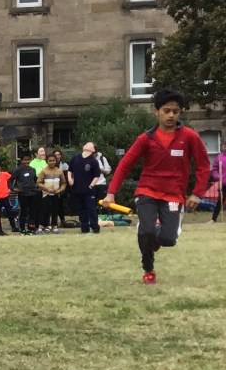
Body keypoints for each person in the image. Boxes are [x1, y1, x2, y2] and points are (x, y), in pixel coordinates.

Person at [104, 88, 210, 285]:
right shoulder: (146, 138)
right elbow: (125, 164)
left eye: (175, 111)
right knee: (146, 232)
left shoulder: (189, 137)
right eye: (166, 111)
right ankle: (148, 269)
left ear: (179, 113)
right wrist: (111, 193)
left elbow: (203, 166)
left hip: (174, 194)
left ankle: (154, 233)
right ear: (156, 111)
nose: (171, 115)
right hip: (147, 191)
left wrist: (197, 193)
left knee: (169, 239)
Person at [67, 142, 102, 234]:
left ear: (93, 149)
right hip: (77, 189)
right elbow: (70, 170)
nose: (87, 145)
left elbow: (97, 175)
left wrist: (91, 185)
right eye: (86, 144)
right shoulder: (75, 158)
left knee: (91, 209)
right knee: (81, 210)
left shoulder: (93, 161)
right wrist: (70, 179)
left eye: (90, 144)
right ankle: (84, 227)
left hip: (89, 190)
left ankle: (95, 227)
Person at [10, 152, 41, 234]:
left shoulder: (32, 170)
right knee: (24, 211)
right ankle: (22, 227)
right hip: (23, 193)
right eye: (25, 160)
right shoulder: (18, 170)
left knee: (32, 210)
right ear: (21, 161)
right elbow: (11, 180)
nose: (26, 161)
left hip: (32, 193)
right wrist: (13, 188)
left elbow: (35, 180)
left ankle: (31, 227)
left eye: (28, 160)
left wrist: (37, 188)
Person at [37, 155, 67, 233]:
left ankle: (54, 226)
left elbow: (63, 183)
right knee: (44, 210)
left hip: (56, 194)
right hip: (46, 194)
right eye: (50, 161)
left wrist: (60, 190)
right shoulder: (44, 171)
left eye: (53, 160)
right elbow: (39, 182)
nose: (52, 162)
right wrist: (47, 189)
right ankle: (41, 227)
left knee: (55, 211)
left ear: (56, 161)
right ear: (47, 162)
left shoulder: (59, 171)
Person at [0, 167, 19, 233]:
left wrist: (11, 188)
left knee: (10, 212)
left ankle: (14, 227)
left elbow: (13, 179)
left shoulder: (4, 174)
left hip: (5, 196)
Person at [52, 150, 70, 228]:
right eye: (56, 155)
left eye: (59, 154)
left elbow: (66, 177)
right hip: (53, 187)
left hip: (62, 188)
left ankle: (62, 220)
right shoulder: (50, 165)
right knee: (54, 205)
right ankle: (54, 222)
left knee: (62, 205)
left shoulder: (64, 165)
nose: (57, 156)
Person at [209, 148, 225, 223]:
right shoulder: (220, 157)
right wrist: (217, 176)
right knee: (220, 201)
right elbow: (215, 168)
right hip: (224, 183)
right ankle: (214, 219)